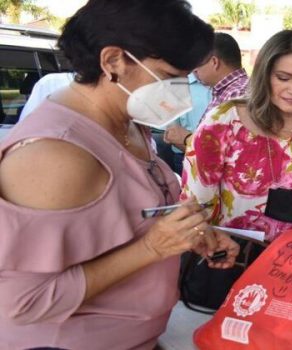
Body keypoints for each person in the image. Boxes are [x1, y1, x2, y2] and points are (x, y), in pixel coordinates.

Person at [0, 1, 239, 348]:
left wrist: (190, 235)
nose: (182, 89)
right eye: (171, 75)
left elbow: (114, 224)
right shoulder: (56, 155)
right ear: (113, 62)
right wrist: (153, 247)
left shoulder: (126, 124)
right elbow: (22, 302)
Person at [182, 29, 292, 242]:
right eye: (283, 78)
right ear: (264, 75)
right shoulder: (223, 123)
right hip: (235, 263)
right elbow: (195, 206)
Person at [163, 32, 249, 159]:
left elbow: (227, 155)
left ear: (214, 62)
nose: (194, 71)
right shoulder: (229, 91)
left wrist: (186, 138)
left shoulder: (236, 95)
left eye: (197, 65)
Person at [156, 72, 210, 174]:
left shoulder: (229, 85)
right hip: (186, 157)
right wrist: (200, 152)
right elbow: (171, 134)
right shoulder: (174, 86)